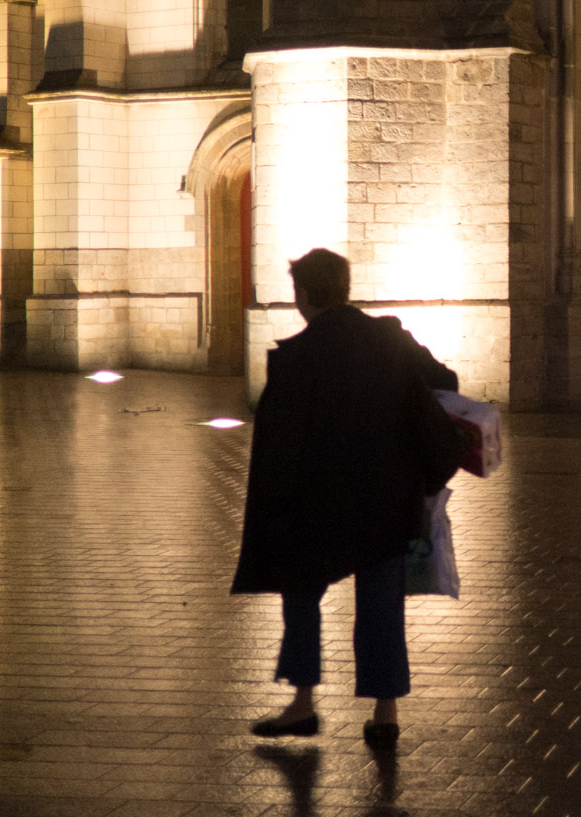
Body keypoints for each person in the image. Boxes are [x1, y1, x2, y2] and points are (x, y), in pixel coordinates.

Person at [231, 248, 461, 749]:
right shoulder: (389, 339)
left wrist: (272, 517)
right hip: (388, 500)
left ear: (306, 295)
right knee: (381, 602)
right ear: (345, 288)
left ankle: (303, 703)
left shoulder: (297, 358)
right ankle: (385, 712)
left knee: (302, 593)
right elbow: (445, 385)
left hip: (318, 505)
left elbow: (280, 449)